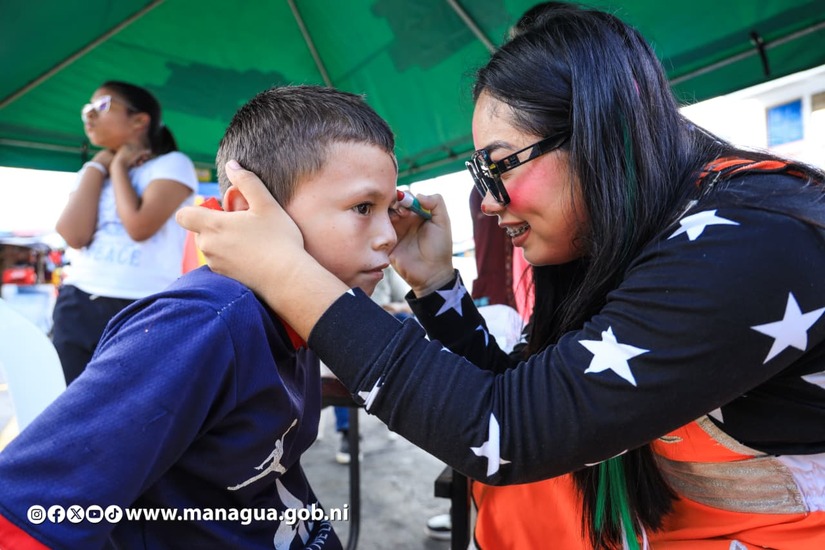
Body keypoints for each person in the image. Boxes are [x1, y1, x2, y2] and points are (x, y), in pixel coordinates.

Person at [178, 5, 825, 549]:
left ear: (595, 132)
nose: (488, 203)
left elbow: (507, 431)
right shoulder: (656, 231)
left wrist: (286, 272)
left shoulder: (752, 238)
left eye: (500, 166)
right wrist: (435, 289)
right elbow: (526, 391)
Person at [0, 85, 400, 549]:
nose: (389, 234)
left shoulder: (297, 313)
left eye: (392, 209)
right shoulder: (201, 326)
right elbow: (30, 514)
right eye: (363, 208)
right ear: (247, 211)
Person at [52, 81, 198, 385]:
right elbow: (73, 235)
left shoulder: (173, 164)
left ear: (140, 120)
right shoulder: (95, 169)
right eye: (86, 110)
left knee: (127, 411)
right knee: (68, 405)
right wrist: (96, 166)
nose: (89, 116)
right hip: (77, 301)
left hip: (141, 304)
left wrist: (118, 167)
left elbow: (138, 228)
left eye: (101, 106)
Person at [333, 265, 411, 464]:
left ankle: (396, 404)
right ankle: (349, 434)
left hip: (383, 330)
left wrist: (396, 308)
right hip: (347, 335)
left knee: (407, 322)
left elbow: (409, 303)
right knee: (344, 362)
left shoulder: (385, 269)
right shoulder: (336, 263)